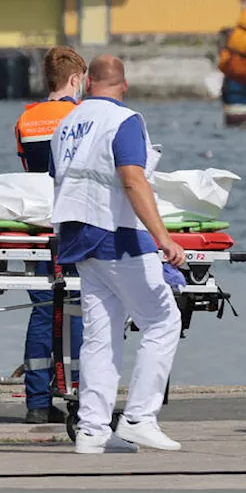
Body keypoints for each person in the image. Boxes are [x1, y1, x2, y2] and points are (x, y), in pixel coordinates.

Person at [49, 54, 187, 455]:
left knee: (100, 334)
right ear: (124, 86)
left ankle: (92, 431)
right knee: (162, 320)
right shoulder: (124, 121)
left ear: (88, 81)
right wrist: (163, 238)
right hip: (118, 235)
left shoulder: (68, 123)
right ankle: (140, 418)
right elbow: (133, 180)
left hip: (77, 236)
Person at [13, 46, 87, 425]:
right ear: (75, 80)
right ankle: (78, 395)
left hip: (32, 225)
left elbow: (29, 170)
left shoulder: (26, 120)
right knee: (77, 308)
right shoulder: (81, 117)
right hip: (70, 223)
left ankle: (37, 402)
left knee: (42, 310)